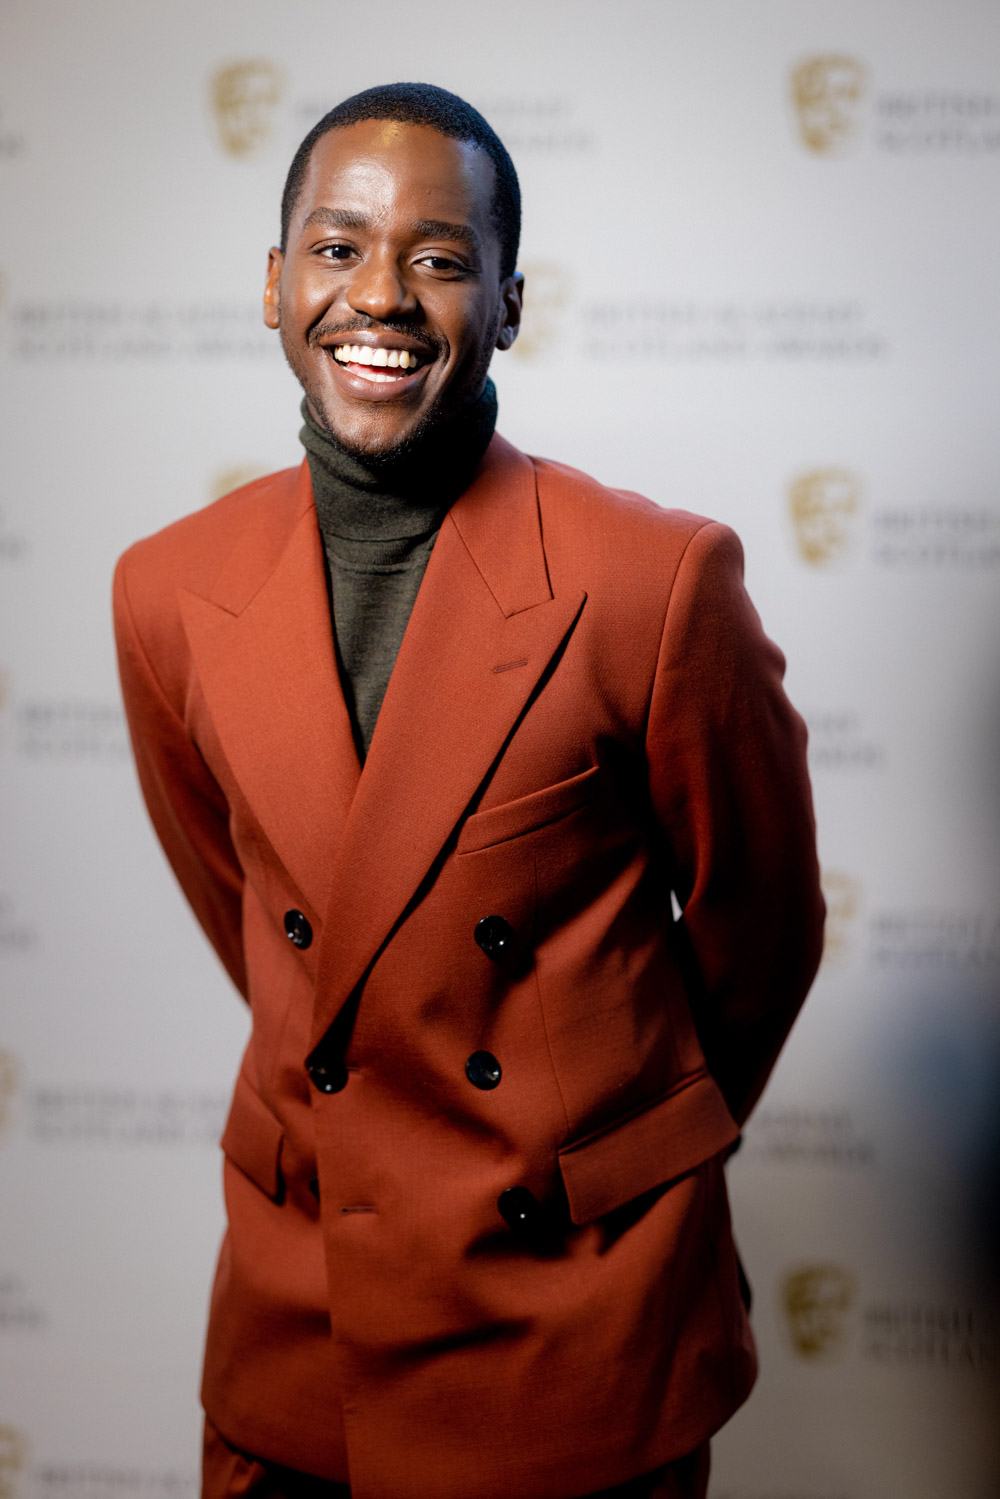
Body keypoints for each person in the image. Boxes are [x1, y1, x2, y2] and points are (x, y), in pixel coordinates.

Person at [113, 83, 824, 1499]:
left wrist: (612, 1154)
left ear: (507, 301)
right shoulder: (166, 592)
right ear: (273, 286)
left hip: (575, 1315)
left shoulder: (650, 583)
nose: (378, 296)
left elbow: (762, 926)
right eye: (336, 248)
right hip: (300, 1299)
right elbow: (262, 916)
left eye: (438, 258)